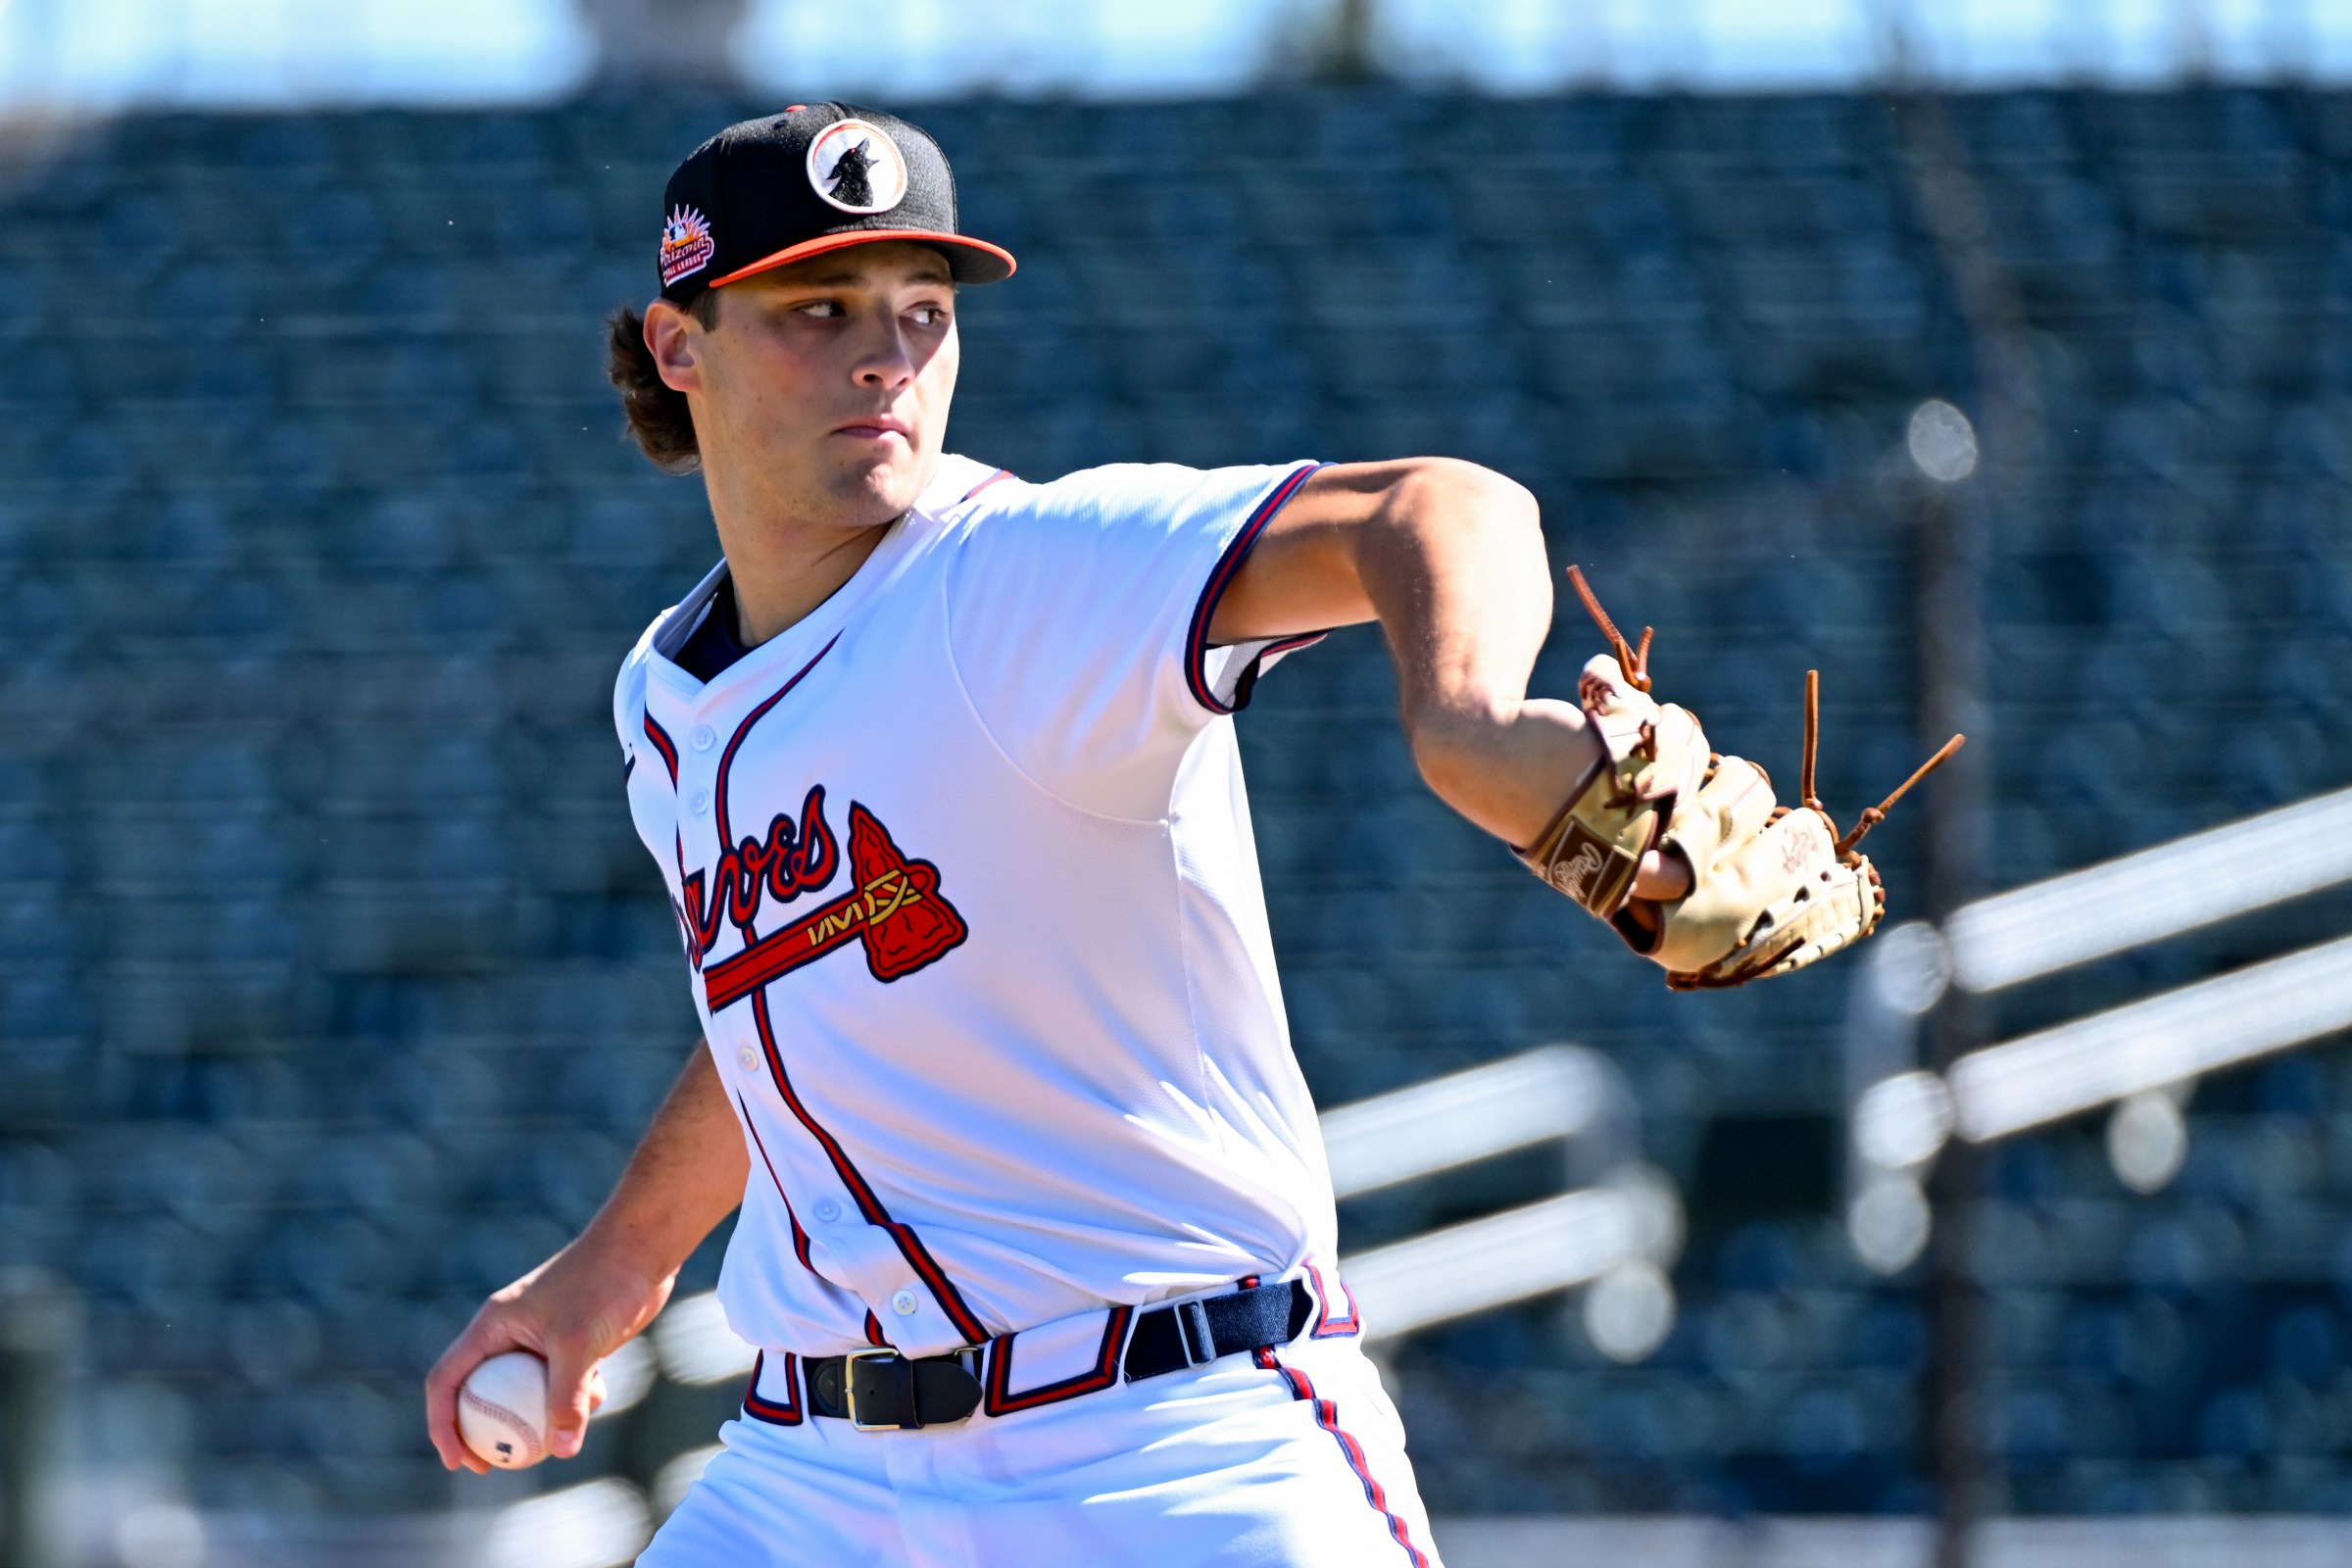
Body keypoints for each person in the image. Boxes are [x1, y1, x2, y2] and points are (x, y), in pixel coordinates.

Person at [422, 102, 1691, 1567]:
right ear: (677, 345)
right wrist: (613, 1268)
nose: (884, 354)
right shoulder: (668, 697)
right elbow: (799, 1000)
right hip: (816, 1478)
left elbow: (1434, 504)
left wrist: (1464, 714)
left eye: (919, 311)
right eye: (815, 309)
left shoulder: (1024, 580)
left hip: (1169, 1446)